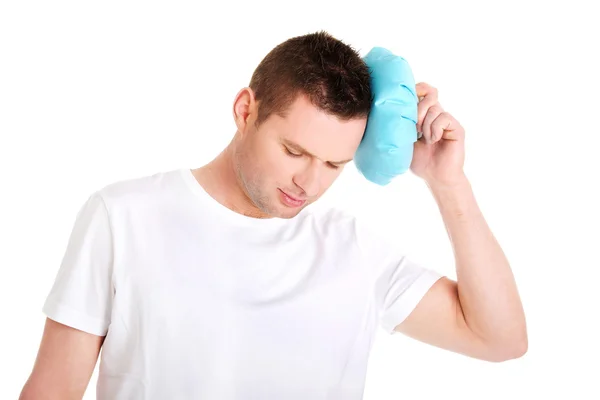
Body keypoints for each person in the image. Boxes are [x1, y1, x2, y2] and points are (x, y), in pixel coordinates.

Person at [19, 31, 527, 399]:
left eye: (334, 164)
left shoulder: (352, 249)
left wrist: (448, 183)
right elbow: (52, 391)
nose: (309, 183)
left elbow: (499, 338)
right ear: (245, 110)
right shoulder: (123, 218)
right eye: (293, 150)